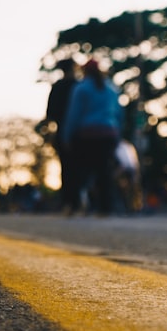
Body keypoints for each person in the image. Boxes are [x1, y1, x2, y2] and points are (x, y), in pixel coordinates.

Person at [61, 58, 124, 216]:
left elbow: (73, 114)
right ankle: (105, 207)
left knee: (80, 171)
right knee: (105, 171)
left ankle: (74, 205)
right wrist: (118, 134)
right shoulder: (111, 89)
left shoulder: (81, 88)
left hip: (87, 134)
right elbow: (119, 114)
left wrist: (67, 136)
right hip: (109, 133)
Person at [42, 58, 78, 212]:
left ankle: (68, 202)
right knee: (81, 168)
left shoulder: (58, 87)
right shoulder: (79, 86)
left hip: (63, 130)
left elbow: (50, 114)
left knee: (66, 167)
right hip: (80, 131)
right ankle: (79, 200)